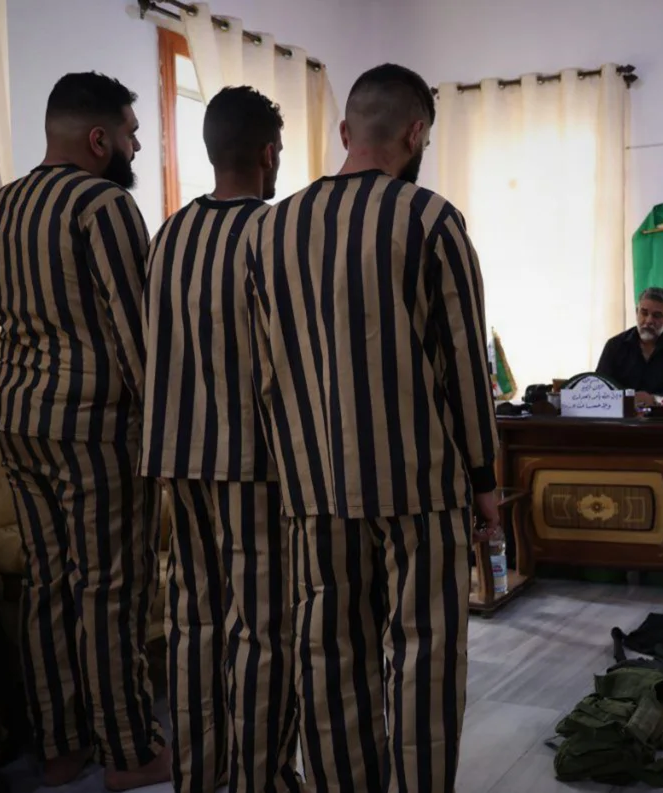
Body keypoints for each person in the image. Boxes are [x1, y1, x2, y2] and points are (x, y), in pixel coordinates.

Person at [245, 63, 500, 792]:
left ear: (344, 131)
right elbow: (464, 366)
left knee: (328, 659)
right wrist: (485, 481)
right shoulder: (431, 219)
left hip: (314, 488)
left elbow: (266, 371)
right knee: (425, 657)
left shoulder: (269, 230)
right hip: (420, 486)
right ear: (416, 134)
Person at [0, 71, 169, 790]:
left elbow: (5, 314)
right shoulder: (104, 204)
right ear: (98, 139)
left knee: (48, 585)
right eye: (130, 133)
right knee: (110, 588)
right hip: (94, 425)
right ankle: (129, 751)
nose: (136, 146)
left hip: (17, 417)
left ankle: (60, 750)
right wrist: (166, 433)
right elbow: (136, 332)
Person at [140, 86, 300, 793]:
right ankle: (262, 779)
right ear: (267, 153)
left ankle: (199, 777)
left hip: (177, 456)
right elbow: (290, 359)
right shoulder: (275, 231)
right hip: (254, 461)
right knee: (263, 629)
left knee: (193, 623)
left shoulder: (168, 233)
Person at [596, 287, 663, 405]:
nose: (649, 321)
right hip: (625, 414)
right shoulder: (615, 345)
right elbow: (599, 390)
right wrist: (628, 400)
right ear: (637, 312)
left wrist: (655, 399)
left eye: (656, 315)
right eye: (644, 313)